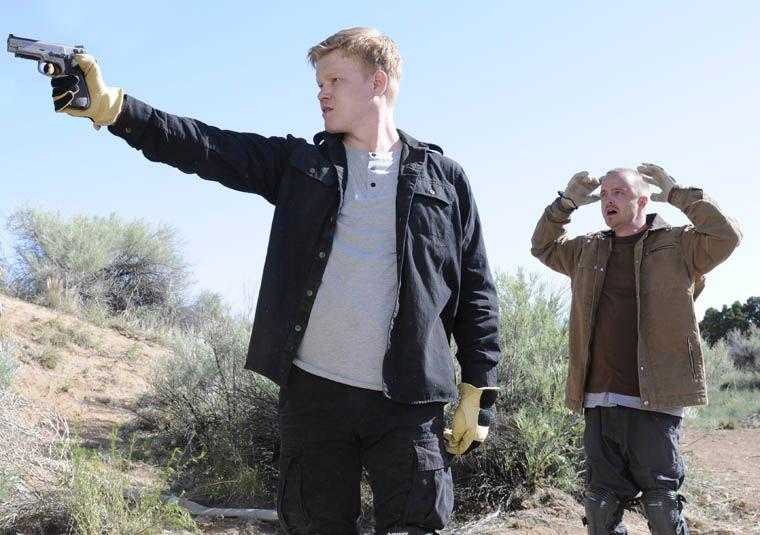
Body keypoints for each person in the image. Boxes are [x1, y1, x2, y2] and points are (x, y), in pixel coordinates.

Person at [49, 27, 501, 535]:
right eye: (318, 84)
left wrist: (477, 392)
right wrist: (116, 110)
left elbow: (476, 290)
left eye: (334, 79)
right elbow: (207, 147)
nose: (321, 94)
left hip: (409, 400)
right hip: (316, 398)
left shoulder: (446, 179)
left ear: (378, 82)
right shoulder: (302, 166)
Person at [531, 166, 741, 534]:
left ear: (644, 200)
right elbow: (543, 246)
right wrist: (565, 204)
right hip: (598, 399)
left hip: (654, 400)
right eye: (606, 193)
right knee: (600, 507)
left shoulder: (680, 244)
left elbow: (727, 236)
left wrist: (680, 194)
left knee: (662, 507)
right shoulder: (587, 248)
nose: (609, 200)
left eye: (620, 192)